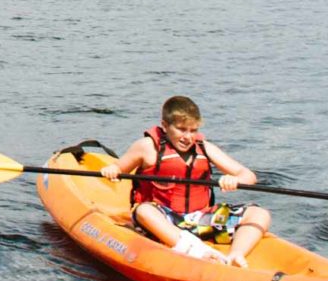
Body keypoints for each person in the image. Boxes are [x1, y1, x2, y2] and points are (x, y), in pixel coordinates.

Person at [100, 96, 274, 268]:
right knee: (144, 210)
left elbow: (248, 176)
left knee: (259, 214)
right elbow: (119, 168)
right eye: (181, 129)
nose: (188, 137)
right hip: (163, 222)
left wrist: (234, 179)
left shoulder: (204, 148)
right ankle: (198, 252)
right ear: (165, 125)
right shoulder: (147, 147)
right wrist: (112, 170)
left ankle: (236, 254)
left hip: (199, 220)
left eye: (193, 130)